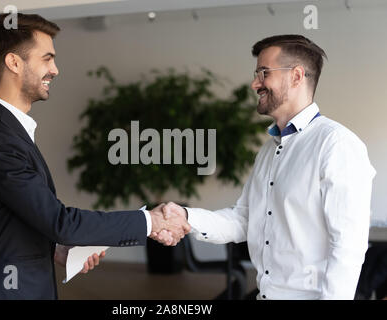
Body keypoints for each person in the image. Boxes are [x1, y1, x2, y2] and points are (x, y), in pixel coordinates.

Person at [0, 13, 189, 300]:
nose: (55, 69)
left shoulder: (5, 130)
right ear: (14, 63)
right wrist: (150, 221)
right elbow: (60, 222)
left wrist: (56, 248)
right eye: (46, 58)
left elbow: (13, 218)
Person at [154, 34, 376, 300]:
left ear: (296, 76)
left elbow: (347, 246)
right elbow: (243, 219)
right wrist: (186, 217)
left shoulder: (336, 144)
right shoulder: (270, 150)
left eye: (264, 73)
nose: (254, 83)